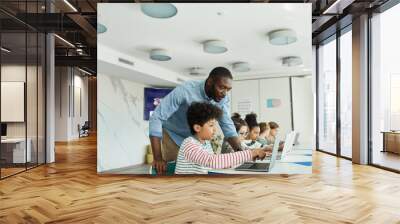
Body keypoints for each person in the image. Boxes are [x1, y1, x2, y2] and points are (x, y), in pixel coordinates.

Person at [149, 67, 264, 174]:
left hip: (198, 138)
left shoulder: (222, 100)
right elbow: (157, 117)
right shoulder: (185, 90)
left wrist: (242, 153)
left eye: (228, 89)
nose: (224, 94)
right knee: (173, 173)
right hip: (173, 135)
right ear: (209, 82)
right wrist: (158, 158)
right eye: (221, 87)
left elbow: (227, 126)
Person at [175, 102, 267, 174]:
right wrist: (250, 153)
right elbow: (211, 161)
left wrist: (230, 163)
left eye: (214, 125)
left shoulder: (206, 143)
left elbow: (212, 165)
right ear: (197, 128)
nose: (215, 129)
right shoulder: (189, 144)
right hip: (188, 190)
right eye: (211, 125)